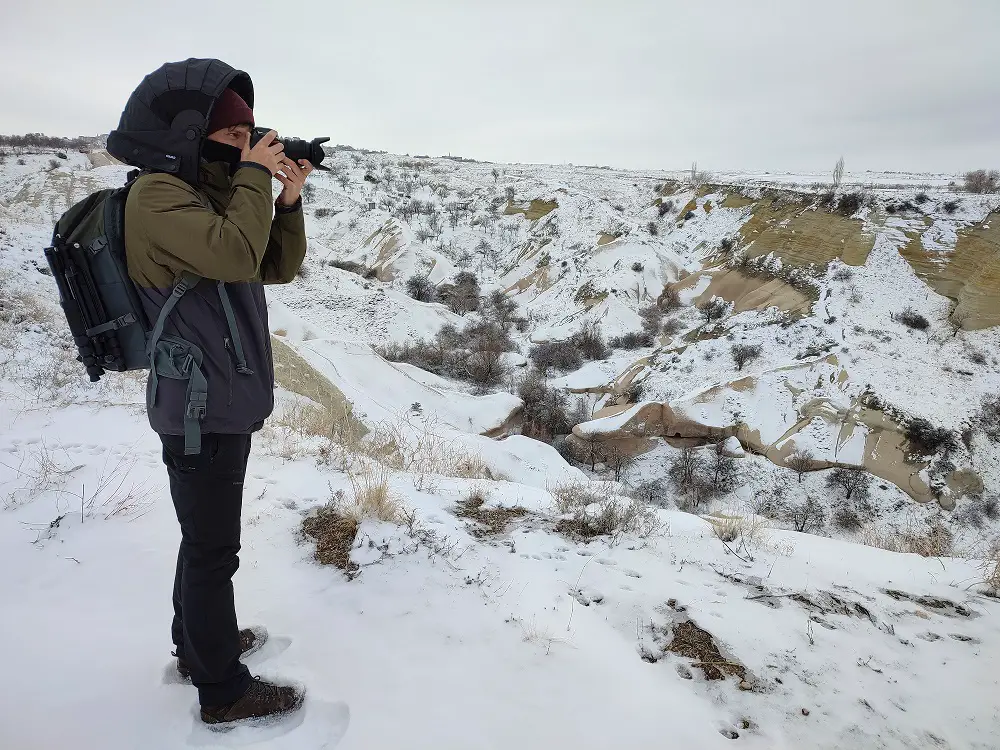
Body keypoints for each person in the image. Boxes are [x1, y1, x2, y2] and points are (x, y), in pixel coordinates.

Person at [116, 59, 312, 724]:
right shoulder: (157, 197)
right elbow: (231, 255)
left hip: (219, 396)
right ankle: (222, 690)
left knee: (202, 541)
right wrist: (256, 177)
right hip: (198, 404)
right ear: (189, 133)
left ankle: (199, 644)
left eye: (247, 137)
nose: (242, 148)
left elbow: (273, 265)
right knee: (212, 550)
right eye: (232, 138)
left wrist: (285, 202)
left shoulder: (206, 196)